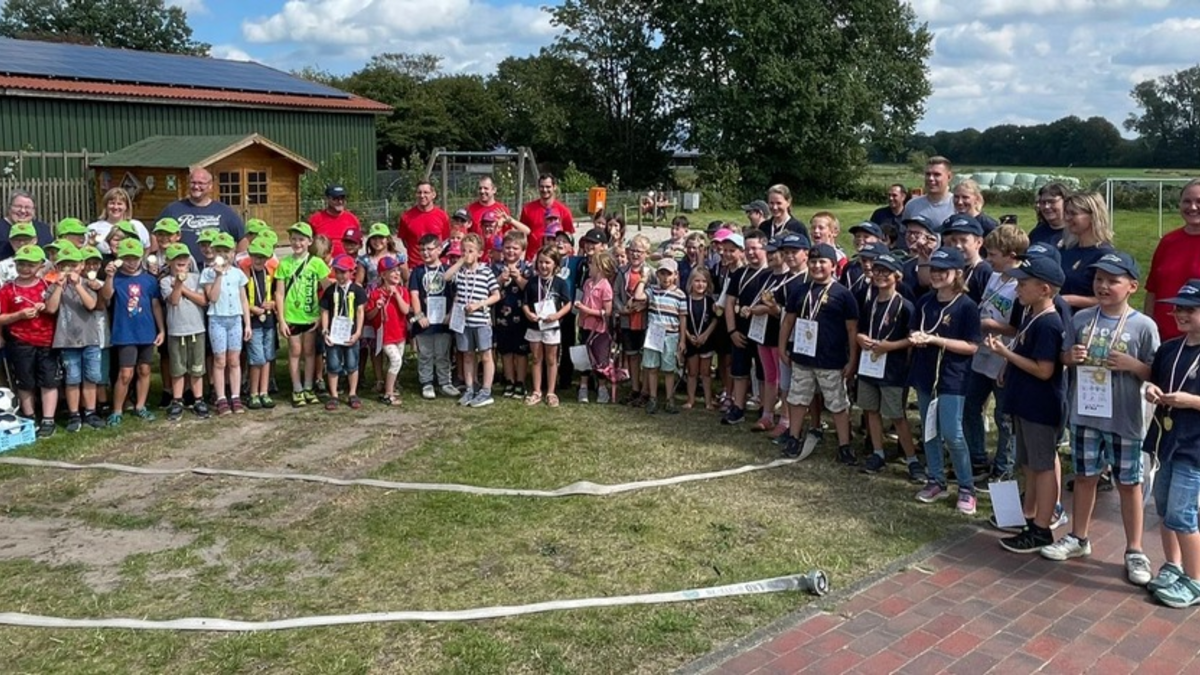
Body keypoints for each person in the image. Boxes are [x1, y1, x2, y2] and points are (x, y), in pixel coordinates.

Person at [1042, 251, 1158, 585]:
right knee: (1085, 476)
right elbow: (1064, 358)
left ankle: (1135, 549)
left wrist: (1134, 366)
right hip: (1085, 413)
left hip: (1126, 418)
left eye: (1113, 280)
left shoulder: (1143, 326)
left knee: (1128, 483)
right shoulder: (1082, 320)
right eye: (1099, 280)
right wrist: (1070, 357)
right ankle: (1079, 537)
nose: (1104, 286)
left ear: (1132, 286)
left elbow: (1155, 371)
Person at [987, 255, 1067, 552]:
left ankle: (1042, 528)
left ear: (1045, 289)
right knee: (1029, 464)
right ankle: (1030, 515)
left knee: (1042, 465)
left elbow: (1044, 370)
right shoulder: (1031, 315)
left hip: (1040, 406)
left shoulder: (1048, 323)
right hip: (1025, 402)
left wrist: (1005, 355)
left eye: (1023, 283)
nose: (1017, 288)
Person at [908, 247, 981, 513]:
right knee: (930, 432)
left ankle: (966, 487)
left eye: (943, 271)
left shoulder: (966, 306)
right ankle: (936, 479)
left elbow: (972, 346)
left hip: (953, 378)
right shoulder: (925, 302)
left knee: (953, 433)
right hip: (926, 374)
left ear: (958, 273)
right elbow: (914, 330)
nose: (936, 275)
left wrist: (936, 340)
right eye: (933, 270)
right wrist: (916, 337)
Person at [1143, 279, 1200, 607]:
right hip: (1166, 440)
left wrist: (1191, 401)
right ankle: (1173, 565)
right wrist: (1151, 391)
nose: (1179, 314)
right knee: (1163, 507)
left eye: (1189, 309)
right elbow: (1156, 381)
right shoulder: (1169, 348)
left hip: (1194, 446)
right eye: (1177, 307)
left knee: (1182, 513)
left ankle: (1194, 580)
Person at [778, 243, 859, 461]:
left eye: (822, 262)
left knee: (837, 403)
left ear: (833, 266)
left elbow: (852, 330)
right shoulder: (800, 290)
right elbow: (788, 322)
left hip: (831, 360)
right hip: (802, 357)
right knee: (797, 399)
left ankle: (844, 445)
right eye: (813, 261)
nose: (817, 266)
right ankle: (794, 437)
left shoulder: (843, 295)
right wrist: (782, 347)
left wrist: (852, 360)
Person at [965, 225, 1027, 487]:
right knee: (971, 405)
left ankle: (1004, 467)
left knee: (1004, 416)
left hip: (1005, 356)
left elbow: (1020, 327)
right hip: (983, 352)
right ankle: (977, 457)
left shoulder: (1021, 284)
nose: (988, 260)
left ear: (1012, 255)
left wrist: (993, 326)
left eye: (993, 255)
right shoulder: (995, 275)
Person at [855, 252, 924, 481]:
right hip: (869, 366)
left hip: (893, 369)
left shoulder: (905, 307)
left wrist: (890, 346)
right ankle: (878, 452)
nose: (880, 275)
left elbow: (913, 339)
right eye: (877, 270)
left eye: (886, 271)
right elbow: (861, 330)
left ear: (897, 276)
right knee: (871, 411)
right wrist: (861, 338)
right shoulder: (869, 303)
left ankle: (912, 459)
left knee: (896, 415)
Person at [0, 244, 61, 437]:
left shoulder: (47, 285)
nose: (25, 268)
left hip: (47, 339)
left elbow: (56, 309)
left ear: (41, 265)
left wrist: (45, 304)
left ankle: (48, 419)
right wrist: (19, 315)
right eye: (21, 264)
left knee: (49, 380)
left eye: (30, 265)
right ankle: (29, 416)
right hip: (20, 341)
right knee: (25, 381)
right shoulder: (8, 289)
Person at [102, 238, 165, 426]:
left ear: (142, 257)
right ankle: (117, 410)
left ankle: (140, 406)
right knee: (125, 373)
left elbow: (155, 305)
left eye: (135, 258)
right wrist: (110, 277)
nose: (131, 262)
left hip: (146, 331)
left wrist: (161, 329)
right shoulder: (117, 278)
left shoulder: (149, 280)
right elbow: (106, 297)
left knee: (145, 370)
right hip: (125, 332)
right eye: (126, 258)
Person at [276, 222, 331, 407]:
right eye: (293, 239)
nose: (297, 243)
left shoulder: (317, 263)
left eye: (301, 239)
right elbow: (279, 293)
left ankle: (308, 387)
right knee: (294, 352)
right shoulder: (284, 263)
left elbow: (328, 290)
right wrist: (281, 319)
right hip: (291, 317)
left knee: (309, 352)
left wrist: (321, 315)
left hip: (310, 316)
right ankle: (297, 388)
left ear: (309, 242)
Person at [53, 243, 107, 432]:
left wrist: (77, 285)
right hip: (67, 340)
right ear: (58, 268)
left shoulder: (88, 284)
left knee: (91, 377)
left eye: (73, 265)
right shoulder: (55, 286)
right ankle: (74, 414)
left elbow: (92, 305)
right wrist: (59, 287)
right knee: (72, 379)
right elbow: (51, 308)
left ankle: (90, 412)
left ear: (81, 265)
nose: (69, 270)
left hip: (89, 339)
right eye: (64, 265)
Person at [722, 230, 770, 425]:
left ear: (765, 248)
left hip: (764, 332)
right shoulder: (740, 274)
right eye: (747, 249)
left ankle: (764, 408)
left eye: (755, 248)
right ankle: (738, 407)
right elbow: (729, 303)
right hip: (741, 331)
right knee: (740, 370)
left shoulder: (771, 274)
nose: (751, 253)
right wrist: (732, 330)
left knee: (764, 373)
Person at [201, 233, 251, 415]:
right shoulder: (208, 272)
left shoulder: (238, 273)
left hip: (235, 319)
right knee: (220, 360)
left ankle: (235, 396)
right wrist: (218, 276)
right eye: (219, 251)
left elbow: (243, 299)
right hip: (218, 319)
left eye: (227, 251)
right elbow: (212, 298)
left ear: (233, 252)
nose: (223, 254)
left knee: (234, 360)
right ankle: (221, 397)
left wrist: (247, 324)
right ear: (213, 253)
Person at [1145, 180, 1200, 342]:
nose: (1193, 207)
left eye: (1199, 202)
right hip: (1164, 339)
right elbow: (1152, 290)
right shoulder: (1168, 242)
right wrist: (1149, 328)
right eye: (1187, 201)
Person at [160, 242, 209, 421]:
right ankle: (177, 400)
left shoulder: (197, 278)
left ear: (189, 260)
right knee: (178, 368)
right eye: (176, 259)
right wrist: (177, 285)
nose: (181, 261)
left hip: (197, 328)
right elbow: (173, 300)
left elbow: (203, 300)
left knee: (197, 367)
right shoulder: (166, 281)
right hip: (176, 330)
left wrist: (184, 287)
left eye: (184, 258)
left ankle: (198, 399)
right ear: (169, 261)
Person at [450, 234, 500, 407]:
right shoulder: (460, 272)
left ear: (480, 253)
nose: (466, 254)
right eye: (463, 250)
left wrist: (480, 304)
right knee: (467, 355)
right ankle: (470, 389)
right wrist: (459, 262)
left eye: (470, 251)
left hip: (481, 321)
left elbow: (496, 295)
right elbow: (446, 278)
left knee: (485, 355)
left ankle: (486, 390)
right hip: (463, 322)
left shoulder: (486, 271)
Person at [156, 168, 246, 263]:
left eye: (201, 183)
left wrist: (238, 262)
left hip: (216, 269)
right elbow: (155, 234)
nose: (196, 186)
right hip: (182, 268)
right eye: (193, 183)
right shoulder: (173, 209)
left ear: (210, 186)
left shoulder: (224, 211)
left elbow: (242, 238)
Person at [409, 234, 458, 399]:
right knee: (425, 353)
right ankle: (427, 382)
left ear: (439, 249)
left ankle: (445, 382)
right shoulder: (417, 271)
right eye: (422, 249)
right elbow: (414, 294)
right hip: (425, 321)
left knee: (443, 353)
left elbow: (456, 294)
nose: (425, 253)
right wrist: (419, 315)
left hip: (443, 320)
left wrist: (451, 314)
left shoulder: (447, 270)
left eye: (429, 249)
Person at [523, 245, 572, 408]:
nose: (543, 266)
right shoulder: (531, 282)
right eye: (541, 262)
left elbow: (568, 304)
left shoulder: (560, 283)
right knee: (536, 358)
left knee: (551, 360)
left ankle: (551, 392)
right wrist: (528, 313)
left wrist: (557, 316)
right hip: (534, 326)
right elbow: (524, 303)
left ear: (555, 265)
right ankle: (537, 391)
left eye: (548, 263)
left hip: (552, 327)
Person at [320, 255, 367, 410]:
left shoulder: (358, 290)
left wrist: (358, 332)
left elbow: (360, 312)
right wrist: (325, 330)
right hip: (334, 334)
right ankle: (333, 394)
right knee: (333, 364)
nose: (340, 275)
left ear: (351, 272)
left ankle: (352, 393)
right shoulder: (329, 290)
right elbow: (325, 311)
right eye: (338, 272)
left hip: (351, 333)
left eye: (344, 272)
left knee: (352, 363)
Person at [641, 258, 687, 414]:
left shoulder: (680, 295)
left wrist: (682, 340)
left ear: (675, 275)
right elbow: (639, 296)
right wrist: (643, 280)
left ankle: (670, 399)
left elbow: (682, 318)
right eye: (662, 273)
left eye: (669, 274)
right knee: (652, 367)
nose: (665, 278)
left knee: (669, 369)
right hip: (654, 334)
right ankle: (653, 398)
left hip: (671, 335)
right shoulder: (652, 290)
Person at [1058, 192, 1116, 310]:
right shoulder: (1066, 250)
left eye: (1073, 214)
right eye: (1067, 213)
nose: (1067, 218)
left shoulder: (1105, 255)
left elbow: (1112, 299)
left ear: (1093, 216)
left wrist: (1071, 300)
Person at [492, 231, 531, 399]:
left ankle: (520, 382)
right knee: (506, 351)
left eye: (515, 248)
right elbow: (489, 288)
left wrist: (519, 278)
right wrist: (500, 279)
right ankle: (509, 380)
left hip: (522, 316)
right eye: (507, 248)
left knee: (521, 352)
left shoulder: (527, 267)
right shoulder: (496, 267)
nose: (511, 251)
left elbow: (531, 290)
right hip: (502, 316)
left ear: (522, 250)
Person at [366, 257, 410, 406]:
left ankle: (391, 386)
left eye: (398, 270)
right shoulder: (376, 293)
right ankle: (388, 393)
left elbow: (405, 310)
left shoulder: (403, 291)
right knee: (396, 361)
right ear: (383, 275)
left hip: (400, 334)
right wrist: (377, 308)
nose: (397, 274)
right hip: (385, 336)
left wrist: (396, 295)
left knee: (396, 362)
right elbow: (369, 316)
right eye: (392, 271)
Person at [576, 250, 617, 403]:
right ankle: (583, 387)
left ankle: (602, 388)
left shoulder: (605, 286)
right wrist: (581, 316)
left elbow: (607, 311)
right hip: (585, 325)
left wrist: (587, 311)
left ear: (600, 267)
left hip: (599, 329)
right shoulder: (587, 283)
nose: (589, 266)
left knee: (600, 359)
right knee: (583, 357)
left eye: (592, 264)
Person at [616, 234, 652, 406]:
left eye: (639, 251)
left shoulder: (651, 273)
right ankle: (635, 388)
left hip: (645, 320)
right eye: (632, 251)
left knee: (645, 356)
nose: (635, 254)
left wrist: (644, 305)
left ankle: (646, 391)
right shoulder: (622, 272)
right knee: (632, 355)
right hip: (627, 320)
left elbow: (656, 294)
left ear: (646, 253)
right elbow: (615, 294)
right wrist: (621, 308)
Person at [244, 238, 278, 410]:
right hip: (254, 322)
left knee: (267, 357)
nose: (259, 260)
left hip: (269, 321)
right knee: (257, 358)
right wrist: (251, 308)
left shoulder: (270, 274)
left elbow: (277, 295)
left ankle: (264, 392)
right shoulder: (245, 275)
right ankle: (253, 393)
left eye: (263, 257)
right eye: (256, 256)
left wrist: (272, 304)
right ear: (250, 255)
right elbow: (240, 299)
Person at [682, 267, 717, 410]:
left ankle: (708, 401)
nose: (700, 284)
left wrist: (705, 335)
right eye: (697, 281)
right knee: (692, 372)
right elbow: (682, 320)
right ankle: (691, 400)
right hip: (691, 340)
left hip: (705, 340)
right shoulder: (685, 300)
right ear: (691, 282)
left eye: (703, 281)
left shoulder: (709, 301)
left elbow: (715, 320)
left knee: (706, 372)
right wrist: (687, 336)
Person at [519, 174, 575, 261]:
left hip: (555, 260)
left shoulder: (564, 211)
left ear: (554, 187)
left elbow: (569, 239)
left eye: (548, 187)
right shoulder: (527, 209)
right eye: (542, 187)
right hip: (533, 259)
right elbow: (522, 236)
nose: (545, 190)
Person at [939, 215, 993, 304]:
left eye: (963, 240)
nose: (957, 245)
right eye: (954, 240)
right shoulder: (948, 268)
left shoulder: (985, 272)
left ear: (979, 242)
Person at [397, 181, 450, 270]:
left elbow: (445, 241)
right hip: (414, 267)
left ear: (433, 195)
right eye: (419, 192)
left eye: (426, 192)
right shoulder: (406, 217)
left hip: (437, 267)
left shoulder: (442, 216)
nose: (422, 196)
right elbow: (405, 242)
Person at [87, 188, 151, 256]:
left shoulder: (137, 225)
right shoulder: (93, 228)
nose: (115, 207)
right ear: (106, 206)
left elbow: (146, 248)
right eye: (112, 203)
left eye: (120, 204)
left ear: (126, 207)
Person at [309, 185, 361, 258]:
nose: (340, 201)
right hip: (322, 264)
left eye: (342, 198)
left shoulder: (353, 219)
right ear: (327, 199)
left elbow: (358, 243)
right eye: (335, 198)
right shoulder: (315, 219)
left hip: (347, 265)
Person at [902, 156, 955, 227]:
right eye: (928, 174)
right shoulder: (912, 205)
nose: (931, 178)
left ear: (949, 177)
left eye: (937, 175)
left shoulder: (957, 205)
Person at [1, 190, 54, 260]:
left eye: (27, 207)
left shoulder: (43, 230)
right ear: (9, 208)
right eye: (18, 206)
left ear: (34, 210)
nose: (23, 211)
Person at [1027, 182, 1071, 248]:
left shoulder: (1075, 234)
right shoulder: (1037, 233)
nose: (1046, 206)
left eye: (1052, 201)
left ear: (1065, 201)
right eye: (1043, 202)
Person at [870, 183, 908, 249]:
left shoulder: (909, 215)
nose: (890, 198)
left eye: (894, 195)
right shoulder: (879, 214)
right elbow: (870, 235)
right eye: (889, 195)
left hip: (905, 255)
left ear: (903, 197)